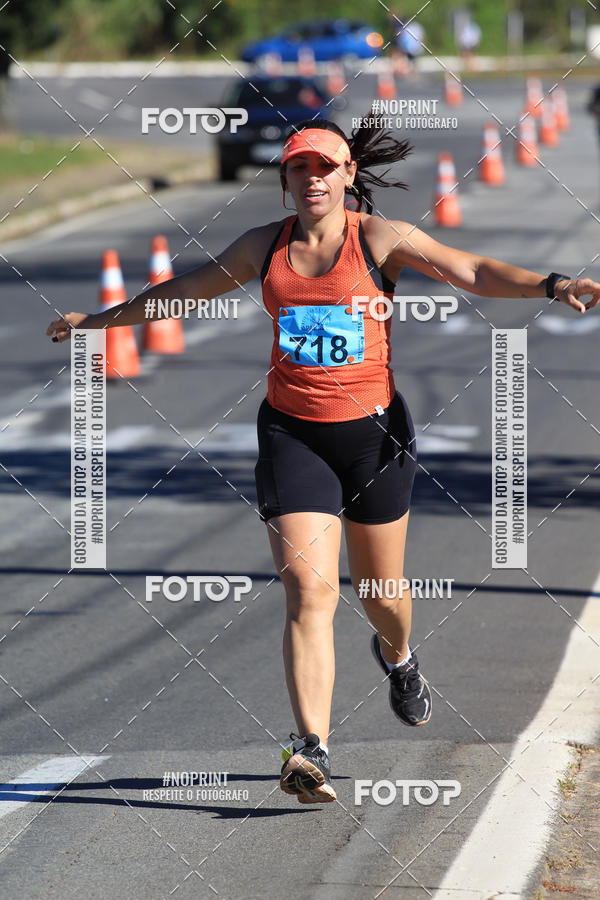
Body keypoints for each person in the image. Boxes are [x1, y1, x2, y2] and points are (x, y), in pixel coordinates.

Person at [47, 117, 600, 805]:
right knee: (310, 591)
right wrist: (95, 323)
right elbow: (183, 293)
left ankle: (398, 656)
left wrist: (551, 284)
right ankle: (311, 749)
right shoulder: (262, 247)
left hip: (374, 439)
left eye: (326, 167)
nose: (313, 179)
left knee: (381, 598)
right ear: (285, 183)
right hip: (293, 435)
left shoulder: (379, 239)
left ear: (347, 177)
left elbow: (473, 270)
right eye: (300, 169)